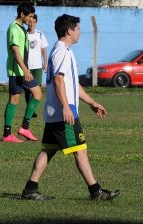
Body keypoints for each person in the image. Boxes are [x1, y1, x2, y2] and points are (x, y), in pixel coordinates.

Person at [21, 14, 120, 201]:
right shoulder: (61, 51)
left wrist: (91, 102)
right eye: (78, 29)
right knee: (80, 150)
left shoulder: (65, 51)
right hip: (64, 113)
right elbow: (58, 80)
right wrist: (66, 107)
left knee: (48, 150)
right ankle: (95, 192)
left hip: (56, 113)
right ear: (69, 31)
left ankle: (30, 189)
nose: (80, 33)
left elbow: (71, 84)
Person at [3, 2, 42, 143]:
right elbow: (15, 51)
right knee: (16, 99)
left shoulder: (21, 28)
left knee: (36, 94)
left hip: (22, 70)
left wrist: (26, 68)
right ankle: (9, 133)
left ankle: (23, 128)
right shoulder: (14, 28)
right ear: (22, 15)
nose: (31, 20)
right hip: (17, 71)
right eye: (30, 16)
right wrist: (25, 70)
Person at [25, 14, 49, 118]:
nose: (31, 24)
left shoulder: (40, 34)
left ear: (36, 23)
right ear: (27, 22)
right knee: (28, 89)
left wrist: (46, 62)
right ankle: (30, 109)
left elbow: (43, 49)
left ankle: (32, 109)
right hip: (27, 67)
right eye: (30, 22)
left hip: (38, 66)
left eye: (33, 22)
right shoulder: (23, 34)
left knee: (37, 88)